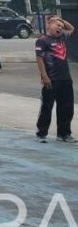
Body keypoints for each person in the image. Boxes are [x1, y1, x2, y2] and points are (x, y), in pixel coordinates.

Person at [35, 15, 75, 143]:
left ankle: (64, 134)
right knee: (47, 106)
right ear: (49, 24)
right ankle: (42, 133)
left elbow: (71, 28)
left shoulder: (62, 37)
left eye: (61, 27)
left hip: (65, 79)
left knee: (66, 107)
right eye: (57, 25)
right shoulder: (42, 40)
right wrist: (44, 76)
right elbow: (39, 59)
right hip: (51, 79)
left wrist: (61, 21)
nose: (60, 28)